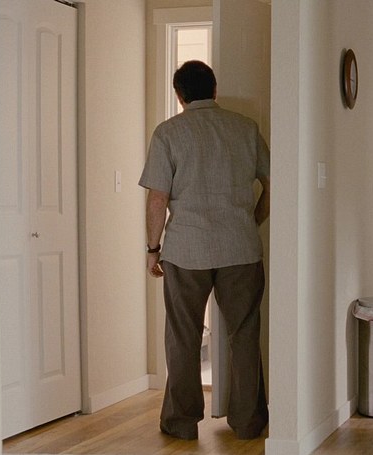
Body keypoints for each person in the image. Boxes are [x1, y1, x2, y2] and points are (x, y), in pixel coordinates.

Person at [138, 60, 270, 441]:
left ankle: (181, 423)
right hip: (240, 248)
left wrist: (152, 248)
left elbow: (157, 199)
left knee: (183, 336)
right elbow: (272, 183)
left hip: (186, 251)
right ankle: (248, 422)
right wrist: (252, 220)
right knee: (244, 334)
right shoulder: (245, 128)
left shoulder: (168, 133)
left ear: (179, 95)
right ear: (214, 90)